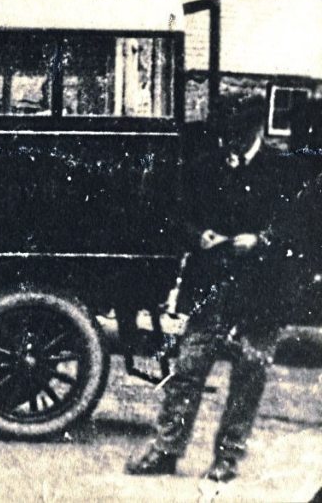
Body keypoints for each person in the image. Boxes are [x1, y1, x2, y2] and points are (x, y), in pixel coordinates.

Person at [125, 97, 297, 482]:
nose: (230, 143)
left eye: (237, 135)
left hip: (262, 293)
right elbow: (175, 215)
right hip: (212, 288)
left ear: (256, 130)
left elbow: (298, 227)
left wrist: (261, 240)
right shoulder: (205, 168)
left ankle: (227, 458)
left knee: (249, 374)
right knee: (188, 369)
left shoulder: (283, 172)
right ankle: (166, 449)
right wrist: (197, 235)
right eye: (226, 135)